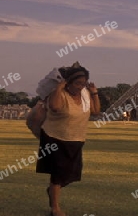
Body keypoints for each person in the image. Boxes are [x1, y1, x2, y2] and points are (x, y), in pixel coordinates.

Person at [36, 62, 100, 216]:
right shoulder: (59, 94)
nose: (80, 87)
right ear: (68, 82)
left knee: (71, 174)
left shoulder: (85, 95)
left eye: (83, 84)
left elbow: (96, 111)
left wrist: (94, 93)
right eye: (77, 83)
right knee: (58, 174)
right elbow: (55, 107)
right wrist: (59, 87)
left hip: (75, 139)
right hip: (54, 138)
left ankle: (53, 190)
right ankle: (55, 208)